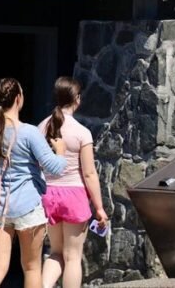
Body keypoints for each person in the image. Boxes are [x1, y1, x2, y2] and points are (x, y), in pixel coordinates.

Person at [0, 78, 66, 288]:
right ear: (18, 99)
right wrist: (60, 151)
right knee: (32, 268)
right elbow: (54, 168)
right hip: (27, 205)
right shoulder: (29, 132)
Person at [39, 77, 108, 288]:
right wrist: (99, 207)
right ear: (77, 99)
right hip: (74, 196)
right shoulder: (81, 132)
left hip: (48, 194)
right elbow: (89, 173)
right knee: (72, 257)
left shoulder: (41, 127)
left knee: (55, 253)